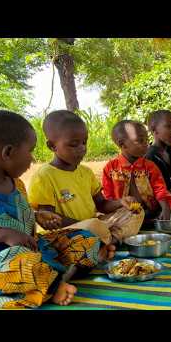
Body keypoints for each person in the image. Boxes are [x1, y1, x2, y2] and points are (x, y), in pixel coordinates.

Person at [0, 110, 78, 308]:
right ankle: (53, 284)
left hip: (33, 247)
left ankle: (49, 276)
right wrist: (1, 235)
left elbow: (12, 213)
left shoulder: (17, 184)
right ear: (8, 153)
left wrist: (37, 215)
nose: (32, 159)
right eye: (30, 151)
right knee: (21, 263)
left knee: (82, 238)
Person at [27, 110, 138, 266]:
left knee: (134, 213)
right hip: (69, 233)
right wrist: (85, 225)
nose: (82, 148)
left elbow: (102, 205)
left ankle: (106, 243)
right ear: (52, 145)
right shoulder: (44, 176)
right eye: (74, 144)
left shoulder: (85, 172)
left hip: (95, 226)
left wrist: (121, 202)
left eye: (84, 142)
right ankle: (102, 244)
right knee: (93, 225)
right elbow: (49, 219)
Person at [102, 120, 171, 221]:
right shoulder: (110, 169)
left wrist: (165, 208)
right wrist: (121, 202)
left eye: (147, 140)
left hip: (152, 211)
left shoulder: (149, 166)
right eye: (140, 141)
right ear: (122, 144)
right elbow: (108, 200)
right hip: (125, 215)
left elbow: (160, 189)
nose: (146, 144)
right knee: (110, 222)